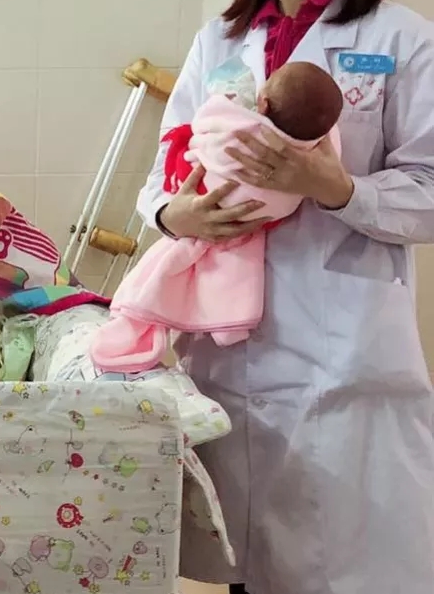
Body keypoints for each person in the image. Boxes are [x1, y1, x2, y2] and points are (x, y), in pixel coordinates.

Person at [137, 0, 434, 594]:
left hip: (346, 340)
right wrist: (176, 216)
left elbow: (430, 190)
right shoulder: (221, 41)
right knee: (245, 554)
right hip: (229, 339)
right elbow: (164, 172)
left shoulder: (402, 41)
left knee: (347, 559)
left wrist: (334, 187)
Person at [91, 61, 344, 375]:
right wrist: (171, 216)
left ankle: (136, 325)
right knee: (201, 262)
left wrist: (341, 191)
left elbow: (206, 125)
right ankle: (222, 321)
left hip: (317, 309)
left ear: (263, 103)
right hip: (263, 214)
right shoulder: (322, 141)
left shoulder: (240, 126)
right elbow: (159, 172)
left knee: (167, 267)